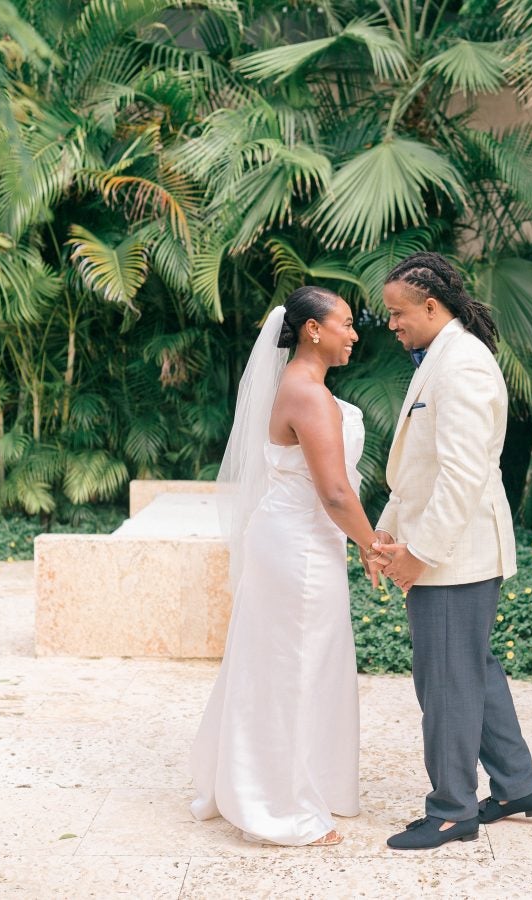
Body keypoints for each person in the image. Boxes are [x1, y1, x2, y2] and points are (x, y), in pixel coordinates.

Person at [189, 286, 384, 847]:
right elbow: (336, 494)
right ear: (312, 331)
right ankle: (282, 806)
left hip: (299, 537)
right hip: (299, 545)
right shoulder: (309, 395)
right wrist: (374, 547)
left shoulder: (300, 387)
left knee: (298, 663)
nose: (354, 333)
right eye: (345, 323)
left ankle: (301, 782)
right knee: (294, 666)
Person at [373, 252, 532, 850]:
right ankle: (518, 786)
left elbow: (462, 475)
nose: (390, 324)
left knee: (446, 679)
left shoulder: (464, 365)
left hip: (454, 555)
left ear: (431, 305)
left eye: (397, 313)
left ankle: (452, 809)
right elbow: (419, 471)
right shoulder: (441, 360)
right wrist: (385, 535)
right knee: (469, 668)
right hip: (440, 546)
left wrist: (419, 554)